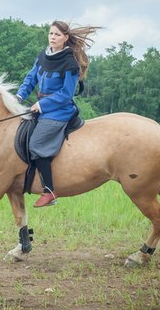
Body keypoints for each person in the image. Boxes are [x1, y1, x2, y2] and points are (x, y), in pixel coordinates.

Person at [16, 20, 100, 208]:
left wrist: (42, 104)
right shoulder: (42, 56)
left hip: (59, 111)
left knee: (36, 144)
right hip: (41, 107)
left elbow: (65, 94)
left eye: (57, 35)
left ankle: (49, 191)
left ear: (66, 38)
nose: (53, 37)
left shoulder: (70, 64)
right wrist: (19, 96)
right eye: (51, 34)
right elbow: (30, 79)